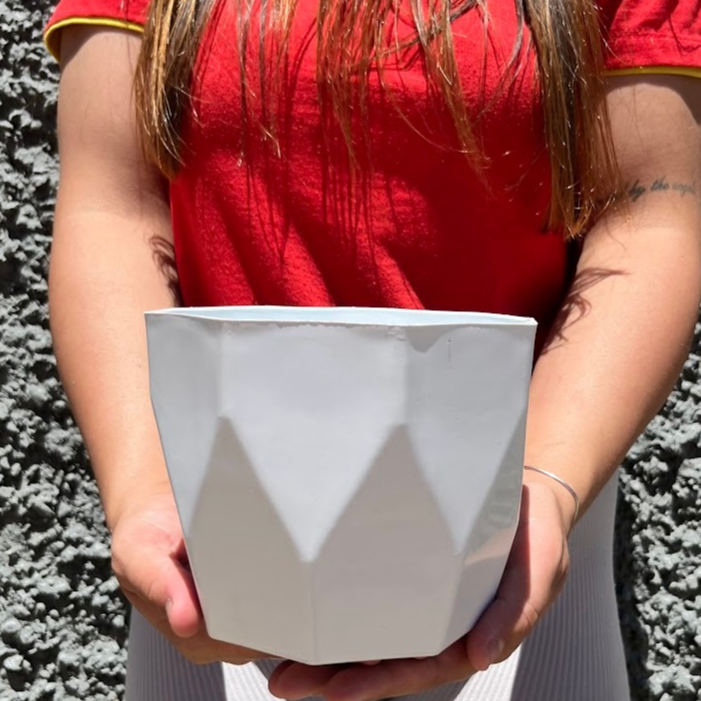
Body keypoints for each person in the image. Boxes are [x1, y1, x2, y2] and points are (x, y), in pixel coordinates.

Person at [44, 0, 700, 698]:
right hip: (208, 560)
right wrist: (144, 491)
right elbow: (112, 205)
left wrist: (546, 486)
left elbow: (649, 219)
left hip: (516, 550)